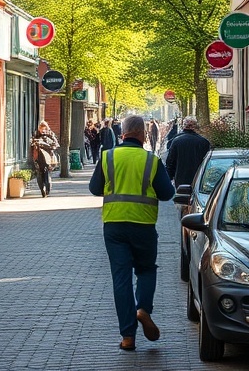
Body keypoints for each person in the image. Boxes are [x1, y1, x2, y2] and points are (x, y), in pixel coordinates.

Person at [90, 114, 175, 351]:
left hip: (114, 226)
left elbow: (94, 189)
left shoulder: (107, 157)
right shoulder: (151, 160)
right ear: (143, 135)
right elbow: (167, 194)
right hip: (143, 226)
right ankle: (143, 309)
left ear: (123, 134)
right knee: (146, 270)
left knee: (121, 278)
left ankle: (128, 337)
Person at [165, 116, 212, 188]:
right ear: (195, 126)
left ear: (183, 126)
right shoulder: (204, 142)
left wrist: (170, 177)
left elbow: (170, 161)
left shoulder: (176, 141)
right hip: (199, 178)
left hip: (181, 178)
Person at [30, 121, 60, 197]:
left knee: (47, 174)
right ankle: (42, 190)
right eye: (41, 128)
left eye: (44, 128)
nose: (42, 130)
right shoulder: (36, 135)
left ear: (47, 128)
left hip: (48, 157)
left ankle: (47, 189)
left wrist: (46, 144)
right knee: (39, 174)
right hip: (38, 157)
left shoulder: (50, 134)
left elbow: (55, 144)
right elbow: (31, 145)